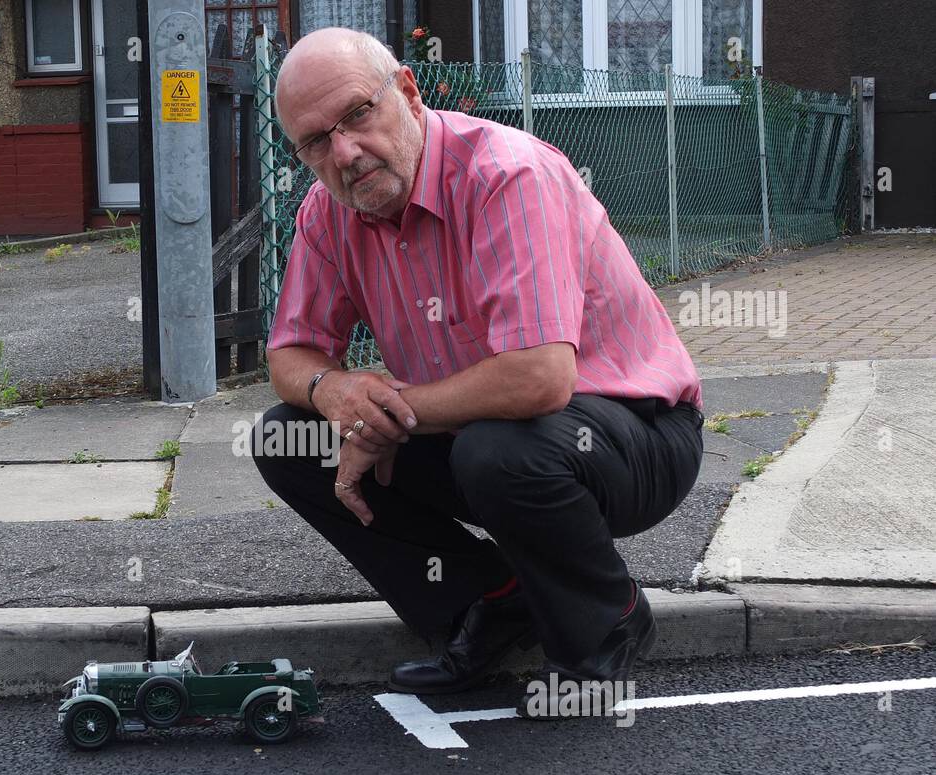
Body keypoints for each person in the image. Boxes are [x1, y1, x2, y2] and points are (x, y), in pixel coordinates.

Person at [251, 27, 704, 716]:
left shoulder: (506, 175)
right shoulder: (327, 212)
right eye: (316, 141)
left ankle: (606, 618)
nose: (343, 152)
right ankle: (491, 602)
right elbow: (289, 354)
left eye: (356, 115)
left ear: (406, 90)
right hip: (481, 433)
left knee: (500, 451)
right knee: (288, 437)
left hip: (633, 435)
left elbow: (539, 379)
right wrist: (338, 392)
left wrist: (390, 417)